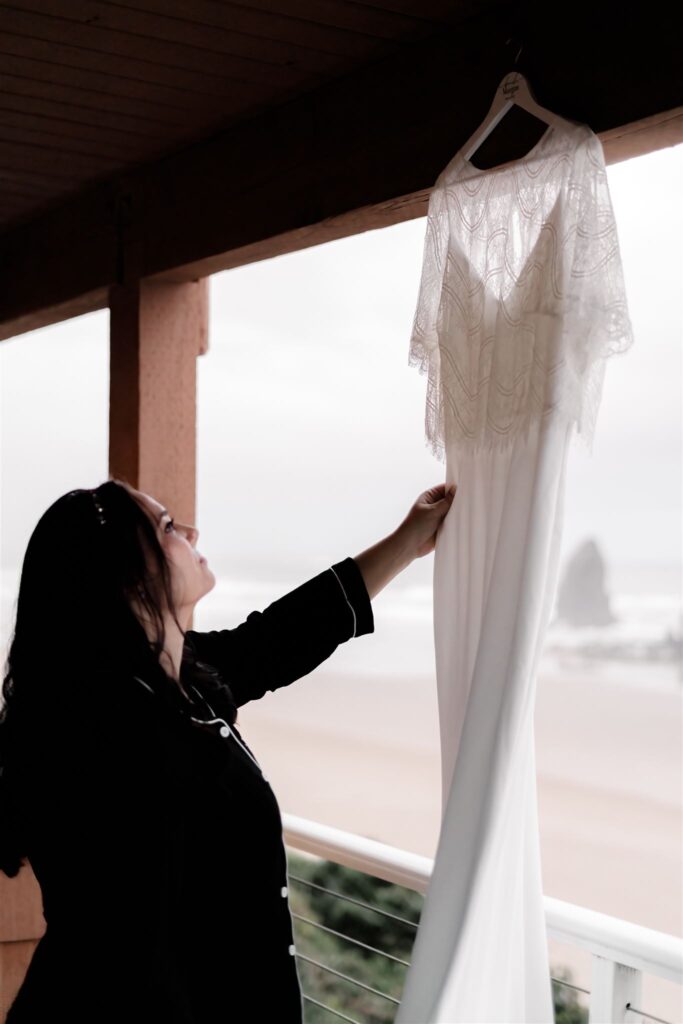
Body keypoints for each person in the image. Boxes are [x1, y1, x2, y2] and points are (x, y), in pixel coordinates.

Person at [0, 476, 456, 1022]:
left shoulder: (171, 681)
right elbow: (134, 955)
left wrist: (407, 540)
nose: (190, 530)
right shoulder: (107, 736)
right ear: (124, 574)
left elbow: (275, 642)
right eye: (167, 527)